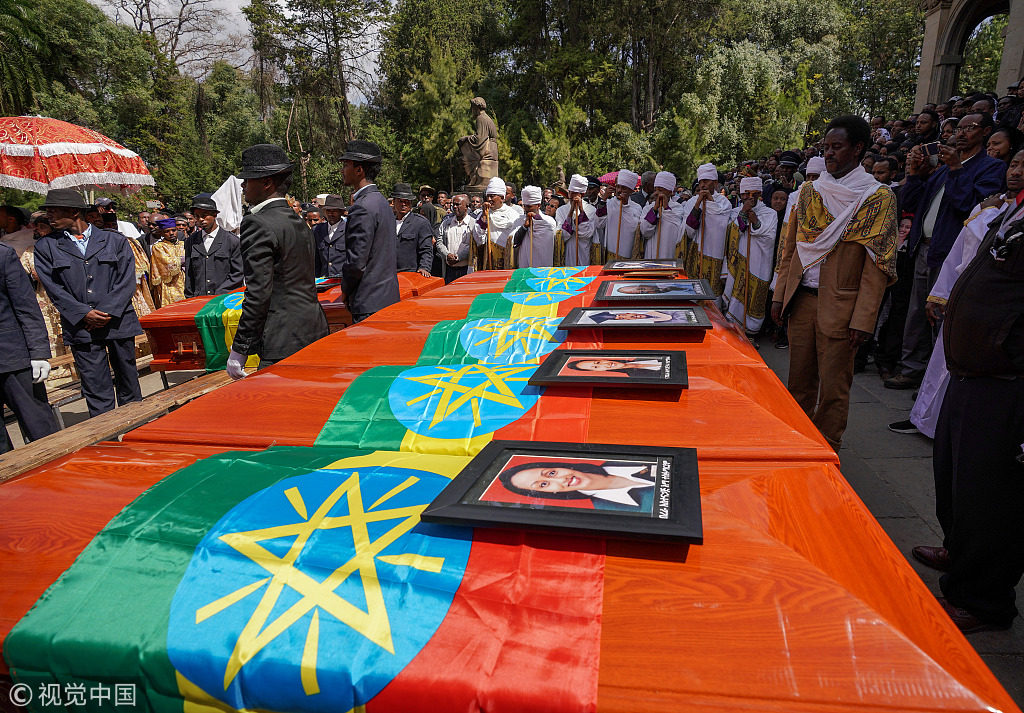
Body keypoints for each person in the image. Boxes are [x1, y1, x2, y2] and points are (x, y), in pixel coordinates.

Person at [910, 184, 1024, 634]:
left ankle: (983, 600)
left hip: (1007, 382)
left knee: (992, 495)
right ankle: (960, 553)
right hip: (972, 373)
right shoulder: (1009, 211)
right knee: (955, 476)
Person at [772, 115, 898, 450]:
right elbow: (792, 248)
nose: (829, 154)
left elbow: (877, 269)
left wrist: (863, 320)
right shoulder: (810, 191)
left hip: (842, 312)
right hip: (801, 302)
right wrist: (779, 295)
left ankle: (826, 452)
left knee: (833, 391)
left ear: (857, 148)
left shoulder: (876, 197)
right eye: (826, 147)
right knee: (798, 383)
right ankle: (795, 446)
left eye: (837, 147)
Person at [885, 112, 1007, 389]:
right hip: (924, 248)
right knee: (916, 313)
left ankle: (938, 380)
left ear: (986, 131)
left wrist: (956, 169)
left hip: (953, 254)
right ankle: (912, 369)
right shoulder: (941, 169)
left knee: (940, 316)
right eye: (959, 128)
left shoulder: (991, 168)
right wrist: (913, 173)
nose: (961, 133)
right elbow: (911, 203)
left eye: (970, 128)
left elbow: (969, 207)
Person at [34, 188, 145, 417]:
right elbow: (54, 289)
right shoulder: (46, 247)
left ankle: (137, 433)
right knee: (96, 389)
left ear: (74, 212)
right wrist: (84, 313)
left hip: (117, 323)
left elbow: (126, 281)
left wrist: (105, 312)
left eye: (54, 211)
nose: (49, 216)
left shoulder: (114, 240)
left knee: (129, 383)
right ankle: (107, 442)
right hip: (81, 328)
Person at [226, 144, 329, 377]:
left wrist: (239, 350)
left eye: (247, 180)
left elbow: (259, 293)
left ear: (266, 183)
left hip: (282, 338)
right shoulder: (297, 221)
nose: (243, 186)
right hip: (314, 328)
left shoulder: (257, 223)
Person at [0, 242, 58, 452]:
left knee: (38, 425)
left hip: (13, 356)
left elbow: (26, 306)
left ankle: (56, 475)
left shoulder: (3, 255)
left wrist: (38, 352)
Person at [339, 140, 400, 322]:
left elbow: (356, 262)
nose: (342, 170)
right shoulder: (380, 201)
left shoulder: (362, 207)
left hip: (368, 302)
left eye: (346, 165)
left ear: (359, 170)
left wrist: (345, 289)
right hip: (386, 298)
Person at [721, 176, 778, 340]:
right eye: (743, 194)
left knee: (753, 298)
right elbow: (734, 233)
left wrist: (756, 222)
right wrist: (744, 213)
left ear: (758, 193)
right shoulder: (735, 212)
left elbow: (769, 239)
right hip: (740, 262)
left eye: (748, 194)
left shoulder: (770, 214)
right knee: (737, 294)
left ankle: (750, 332)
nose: (745, 197)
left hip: (758, 263)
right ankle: (736, 332)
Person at [498, 460, 656, 511]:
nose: (561, 480)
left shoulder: (625, 459)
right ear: (548, 494)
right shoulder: (608, 508)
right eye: (544, 484)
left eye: (551, 473)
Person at [682, 164, 732, 296]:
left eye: (706, 181)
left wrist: (710, 202)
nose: (702, 185)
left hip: (715, 252)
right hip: (696, 251)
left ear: (715, 183)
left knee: (713, 295)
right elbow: (689, 230)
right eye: (700, 182)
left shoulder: (724, 202)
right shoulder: (691, 202)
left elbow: (721, 226)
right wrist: (697, 204)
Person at [184, 193, 244, 297]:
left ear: (215, 215)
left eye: (204, 215)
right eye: (197, 216)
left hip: (225, 300)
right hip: (200, 299)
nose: (200, 219)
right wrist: (190, 297)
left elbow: (238, 274)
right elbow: (189, 274)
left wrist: (220, 293)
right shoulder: (191, 241)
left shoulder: (232, 241)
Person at [472, 177, 520, 270]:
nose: (489, 199)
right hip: (488, 260)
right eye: (488, 196)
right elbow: (479, 239)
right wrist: (484, 217)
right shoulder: (482, 214)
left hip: (507, 260)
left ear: (502, 197)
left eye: (492, 196)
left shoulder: (513, 215)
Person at [597, 169, 642, 261]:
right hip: (610, 250)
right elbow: (599, 223)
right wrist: (604, 200)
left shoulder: (636, 207)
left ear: (631, 191)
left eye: (624, 188)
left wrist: (625, 205)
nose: (619, 190)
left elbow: (633, 228)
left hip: (626, 252)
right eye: (618, 187)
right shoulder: (608, 203)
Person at [392, 183, 434, 277]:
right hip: (389, 274)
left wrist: (424, 268)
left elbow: (426, 250)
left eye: (406, 201)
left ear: (411, 203)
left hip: (410, 274)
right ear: (394, 202)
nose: (403, 204)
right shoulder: (387, 221)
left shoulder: (420, 223)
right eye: (400, 201)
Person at [639, 171, 683, 260]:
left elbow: (676, 231)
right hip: (651, 254)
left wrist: (666, 208)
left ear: (670, 192)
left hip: (668, 252)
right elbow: (645, 231)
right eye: (655, 190)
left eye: (660, 190)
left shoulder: (677, 208)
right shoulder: (648, 208)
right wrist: (654, 210)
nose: (656, 193)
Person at [555, 174, 596, 267]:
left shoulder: (591, 210)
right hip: (568, 252)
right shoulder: (561, 210)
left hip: (583, 251)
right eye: (571, 193)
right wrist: (570, 211)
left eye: (575, 193)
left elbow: (586, 233)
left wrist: (581, 209)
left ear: (582, 195)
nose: (572, 196)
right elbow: (562, 235)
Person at [510, 185, 556, 267]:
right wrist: (524, 227)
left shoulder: (548, 221)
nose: (526, 209)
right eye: (525, 206)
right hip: (524, 263)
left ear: (538, 205)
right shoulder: (519, 220)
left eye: (529, 206)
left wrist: (536, 219)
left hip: (543, 264)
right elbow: (515, 242)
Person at [148, 218, 187, 307]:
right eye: (167, 231)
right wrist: (183, 260)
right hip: (169, 285)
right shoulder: (158, 247)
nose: (171, 233)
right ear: (161, 233)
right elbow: (167, 263)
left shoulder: (183, 244)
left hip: (186, 282)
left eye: (174, 230)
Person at [436, 194, 473, 283]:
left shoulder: (473, 224)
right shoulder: (446, 223)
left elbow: (474, 245)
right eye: (454, 205)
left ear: (466, 206)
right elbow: (439, 242)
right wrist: (447, 255)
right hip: (449, 271)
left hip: (466, 271)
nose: (455, 207)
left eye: (458, 204)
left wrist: (459, 257)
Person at [312, 194, 347, 278]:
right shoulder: (317, 230)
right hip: (324, 281)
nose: (330, 214)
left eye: (334, 211)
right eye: (328, 211)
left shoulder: (349, 230)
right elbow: (316, 260)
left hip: (342, 281)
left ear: (341, 212)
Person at [564, 356, 665, 375]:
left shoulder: (641, 356)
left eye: (597, 362)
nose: (605, 364)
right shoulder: (636, 376)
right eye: (595, 367)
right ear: (599, 372)